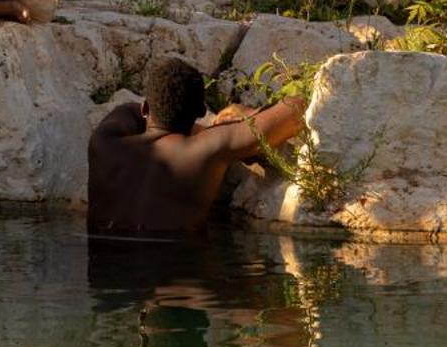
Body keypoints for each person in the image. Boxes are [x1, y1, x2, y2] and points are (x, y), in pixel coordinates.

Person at [88, 54, 307, 240]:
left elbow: (127, 110)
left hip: (108, 275)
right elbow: (297, 107)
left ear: (146, 107)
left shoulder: (103, 143)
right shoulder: (206, 149)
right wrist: (245, 115)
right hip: (182, 276)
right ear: (201, 112)